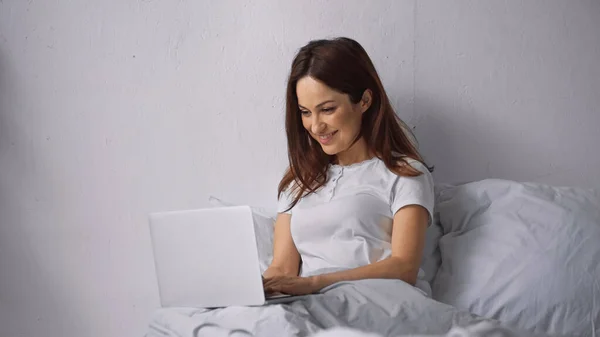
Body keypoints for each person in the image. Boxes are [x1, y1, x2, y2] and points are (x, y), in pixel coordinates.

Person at [262, 37, 435, 297]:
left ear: (364, 101)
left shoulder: (404, 174)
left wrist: (314, 284)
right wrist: (247, 289)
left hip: (380, 301)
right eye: (305, 112)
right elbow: (282, 269)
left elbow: (404, 267)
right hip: (310, 307)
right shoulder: (299, 182)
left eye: (327, 109)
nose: (316, 126)